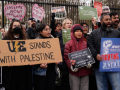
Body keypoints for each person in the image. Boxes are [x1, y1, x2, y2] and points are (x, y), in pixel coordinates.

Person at [88, 14, 120, 90]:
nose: (109, 21)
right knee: (101, 87)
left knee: (116, 86)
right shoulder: (94, 33)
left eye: (109, 19)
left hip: (113, 66)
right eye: (106, 20)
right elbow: (90, 46)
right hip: (99, 66)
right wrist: (96, 55)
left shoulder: (117, 33)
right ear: (101, 21)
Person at [2, 19, 32, 90]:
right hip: (11, 72)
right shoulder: (5, 40)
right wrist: (6, 63)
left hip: (23, 70)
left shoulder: (26, 40)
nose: (17, 27)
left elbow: (30, 53)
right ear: (11, 27)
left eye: (19, 26)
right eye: (15, 25)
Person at [64, 24, 91, 90]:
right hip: (74, 73)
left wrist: (89, 62)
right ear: (73, 33)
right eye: (77, 31)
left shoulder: (85, 43)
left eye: (80, 31)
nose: (79, 33)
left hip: (85, 71)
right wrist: (70, 65)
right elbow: (66, 57)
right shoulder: (69, 43)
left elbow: (89, 54)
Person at [33, 24, 60, 90]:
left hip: (51, 71)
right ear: (41, 32)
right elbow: (32, 57)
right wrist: (39, 65)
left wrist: (58, 60)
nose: (48, 31)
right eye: (46, 29)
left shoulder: (54, 40)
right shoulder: (35, 42)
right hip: (40, 72)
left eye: (49, 29)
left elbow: (58, 54)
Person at [57, 18, 73, 90]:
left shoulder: (74, 35)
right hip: (63, 63)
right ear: (63, 26)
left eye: (70, 23)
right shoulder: (59, 37)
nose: (69, 24)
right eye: (67, 23)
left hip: (72, 61)